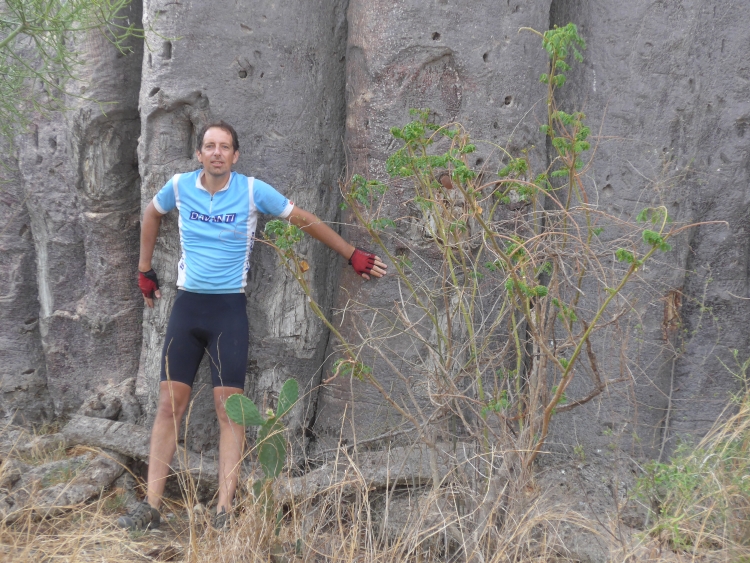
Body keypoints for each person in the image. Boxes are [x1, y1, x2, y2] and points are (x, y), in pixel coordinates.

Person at [117, 121, 386, 531]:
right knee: (169, 406)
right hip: (187, 308)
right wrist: (143, 269)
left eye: (224, 147)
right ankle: (151, 506)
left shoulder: (250, 190)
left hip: (228, 311)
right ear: (199, 153)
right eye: (209, 146)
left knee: (231, 411)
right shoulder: (178, 186)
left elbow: (303, 219)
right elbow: (151, 215)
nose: (217, 153)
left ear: (235, 155)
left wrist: (351, 254)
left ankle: (224, 509)